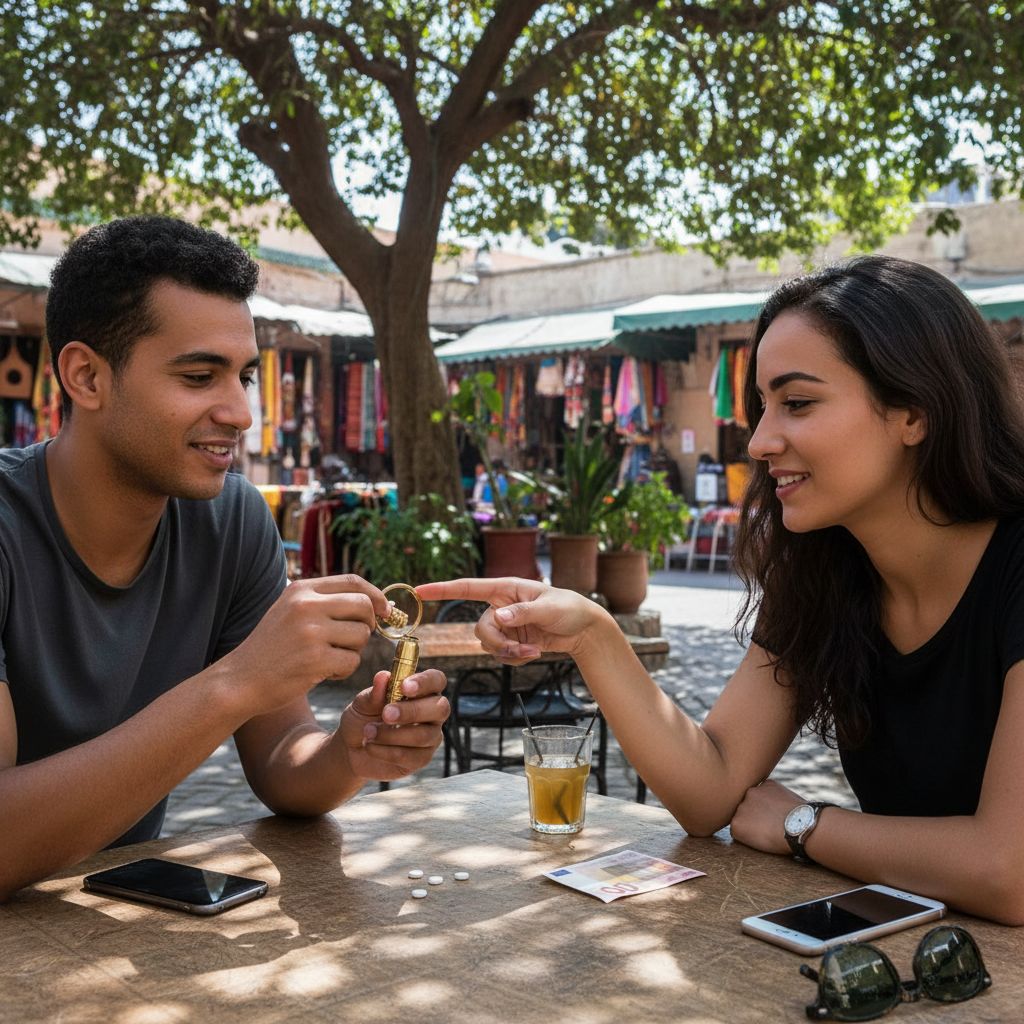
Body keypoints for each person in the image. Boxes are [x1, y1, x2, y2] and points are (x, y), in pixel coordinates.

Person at [419, 255, 1024, 925]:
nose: (759, 442)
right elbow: (710, 792)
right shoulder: (829, 574)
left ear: (914, 411)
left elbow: (1008, 871)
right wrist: (593, 635)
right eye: (762, 408)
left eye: (797, 403)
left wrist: (803, 824)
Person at [0, 216, 449, 901]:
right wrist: (236, 681)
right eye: (198, 376)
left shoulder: (232, 520)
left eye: (243, 377)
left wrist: (350, 749)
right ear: (86, 377)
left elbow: (283, 760)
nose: (240, 413)